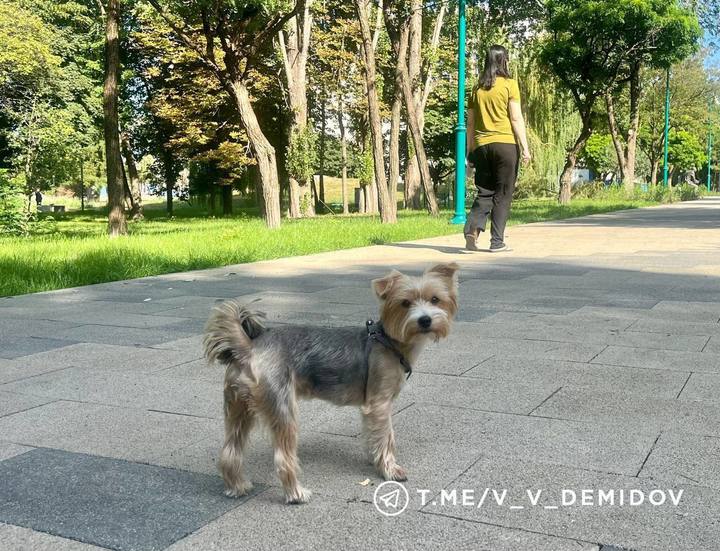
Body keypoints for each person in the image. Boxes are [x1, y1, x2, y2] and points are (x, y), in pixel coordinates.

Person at [464, 45, 531, 252]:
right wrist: (525, 148)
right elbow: (515, 117)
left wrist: (469, 153)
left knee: (484, 191)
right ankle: (497, 242)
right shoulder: (509, 85)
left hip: (482, 146)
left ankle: (472, 229)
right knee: (502, 193)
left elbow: (471, 124)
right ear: (504, 61)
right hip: (505, 145)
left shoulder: (476, 89)